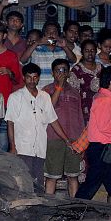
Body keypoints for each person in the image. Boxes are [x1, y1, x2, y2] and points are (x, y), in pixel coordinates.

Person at [5, 63, 72, 186]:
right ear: (24, 78)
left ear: (39, 78)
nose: (32, 80)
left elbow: (53, 120)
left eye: (35, 77)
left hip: (40, 149)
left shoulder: (45, 96)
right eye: (29, 77)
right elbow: (10, 123)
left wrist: (66, 140)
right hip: (22, 149)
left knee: (38, 185)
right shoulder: (15, 97)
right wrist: (13, 146)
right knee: (23, 185)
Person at [71, 67, 111, 205]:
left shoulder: (102, 97)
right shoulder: (105, 100)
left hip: (102, 149)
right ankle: (72, 212)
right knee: (94, 186)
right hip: (103, 149)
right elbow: (104, 127)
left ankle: (72, 212)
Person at [42, 59, 84, 197]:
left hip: (73, 139)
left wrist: (82, 142)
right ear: (53, 73)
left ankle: (74, 207)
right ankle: (48, 207)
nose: (62, 73)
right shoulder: (46, 91)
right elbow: (48, 110)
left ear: (68, 73)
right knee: (52, 176)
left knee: (73, 176)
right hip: (54, 139)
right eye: (58, 70)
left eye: (64, 70)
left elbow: (80, 117)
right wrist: (59, 87)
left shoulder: (74, 92)